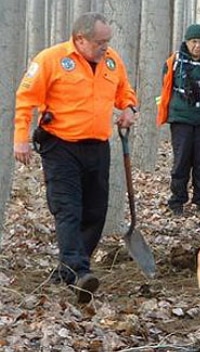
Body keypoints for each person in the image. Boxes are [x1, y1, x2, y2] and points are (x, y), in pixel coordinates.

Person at [13, 12, 138, 303]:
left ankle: (68, 269)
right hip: (60, 146)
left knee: (95, 211)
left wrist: (129, 108)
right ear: (80, 39)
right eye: (99, 42)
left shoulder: (111, 60)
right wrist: (21, 138)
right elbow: (25, 98)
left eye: (108, 41)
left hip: (97, 145)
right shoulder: (51, 59)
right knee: (68, 209)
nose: (105, 47)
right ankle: (80, 272)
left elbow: (124, 90)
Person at [156, 24, 200, 216]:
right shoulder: (174, 61)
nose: (197, 46)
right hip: (181, 117)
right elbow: (166, 85)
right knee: (181, 161)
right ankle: (177, 202)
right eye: (194, 41)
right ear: (187, 42)